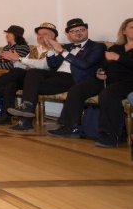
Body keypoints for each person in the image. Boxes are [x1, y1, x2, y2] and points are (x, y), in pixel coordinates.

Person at [7, 18, 105, 132]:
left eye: (81, 30)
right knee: (32, 73)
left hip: (75, 78)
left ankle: (25, 120)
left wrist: (62, 51)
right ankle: (27, 109)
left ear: (87, 30)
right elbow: (53, 64)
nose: (78, 33)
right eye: (73, 31)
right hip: (57, 77)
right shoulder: (67, 47)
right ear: (68, 34)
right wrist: (50, 49)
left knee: (31, 86)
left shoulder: (97, 46)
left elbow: (85, 65)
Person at [48, 17, 133, 147]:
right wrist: (100, 71)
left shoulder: (115, 52)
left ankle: (110, 135)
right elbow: (103, 64)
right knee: (77, 89)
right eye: (132, 27)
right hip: (108, 79)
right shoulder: (116, 47)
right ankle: (69, 127)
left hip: (128, 81)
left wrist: (119, 58)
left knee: (108, 94)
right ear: (124, 31)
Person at [0, 22, 57, 125]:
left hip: (45, 80)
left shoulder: (57, 48)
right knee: (11, 83)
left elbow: (44, 65)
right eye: (39, 34)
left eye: (44, 34)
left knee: (19, 72)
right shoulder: (35, 49)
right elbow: (22, 65)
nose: (40, 36)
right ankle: (6, 117)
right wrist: (14, 60)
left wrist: (19, 59)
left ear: (53, 36)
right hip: (29, 79)